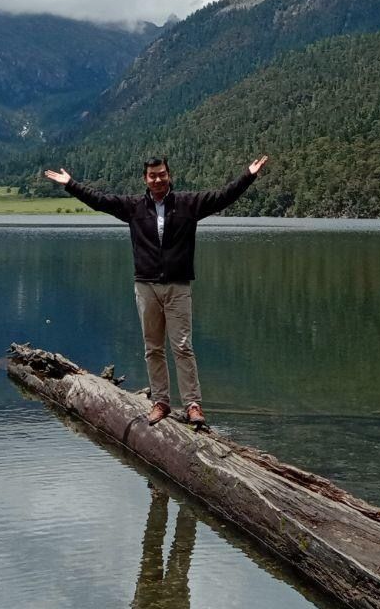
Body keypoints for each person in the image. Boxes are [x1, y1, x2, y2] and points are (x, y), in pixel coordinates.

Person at [43, 154, 269, 426]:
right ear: (145, 179)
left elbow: (223, 196)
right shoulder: (133, 207)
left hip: (178, 286)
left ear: (169, 175)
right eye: (153, 175)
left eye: (162, 174)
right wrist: (71, 184)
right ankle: (161, 402)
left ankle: (193, 405)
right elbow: (100, 200)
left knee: (183, 347)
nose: (158, 179)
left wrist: (248, 175)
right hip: (146, 287)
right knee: (153, 348)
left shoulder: (189, 204)